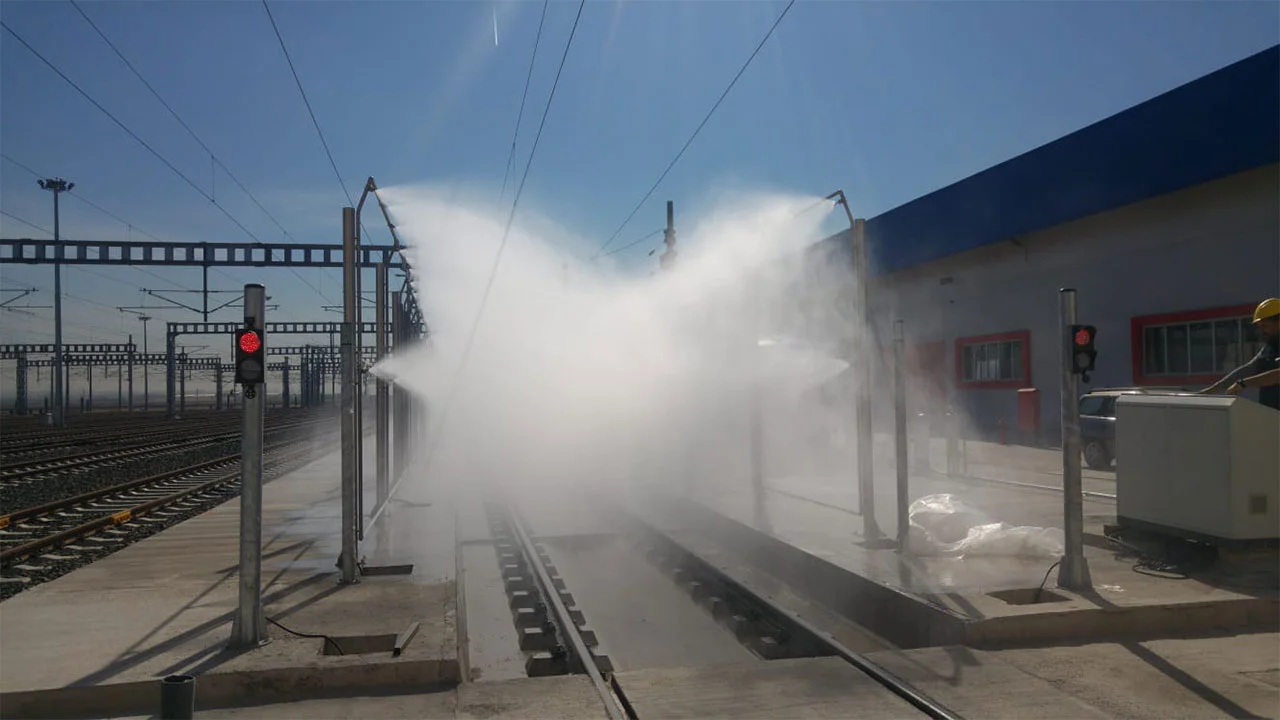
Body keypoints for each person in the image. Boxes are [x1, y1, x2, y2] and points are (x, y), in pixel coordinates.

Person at [1198, 298, 1280, 411]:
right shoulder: (1271, 346)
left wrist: (1242, 384)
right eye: (1260, 327)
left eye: (1265, 326)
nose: (1262, 331)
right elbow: (1248, 369)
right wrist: (1209, 391)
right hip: (1272, 414)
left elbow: (1277, 376)